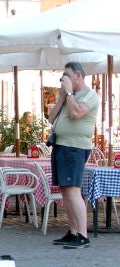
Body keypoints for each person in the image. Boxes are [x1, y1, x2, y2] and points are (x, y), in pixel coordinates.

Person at [49, 62, 99, 249]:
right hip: (61, 145)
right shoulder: (68, 96)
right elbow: (51, 119)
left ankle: (83, 235)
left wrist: (69, 94)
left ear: (78, 75)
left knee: (73, 190)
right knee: (65, 190)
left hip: (75, 148)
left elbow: (77, 113)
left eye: (67, 76)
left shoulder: (90, 94)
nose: (65, 79)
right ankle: (73, 231)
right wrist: (62, 97)